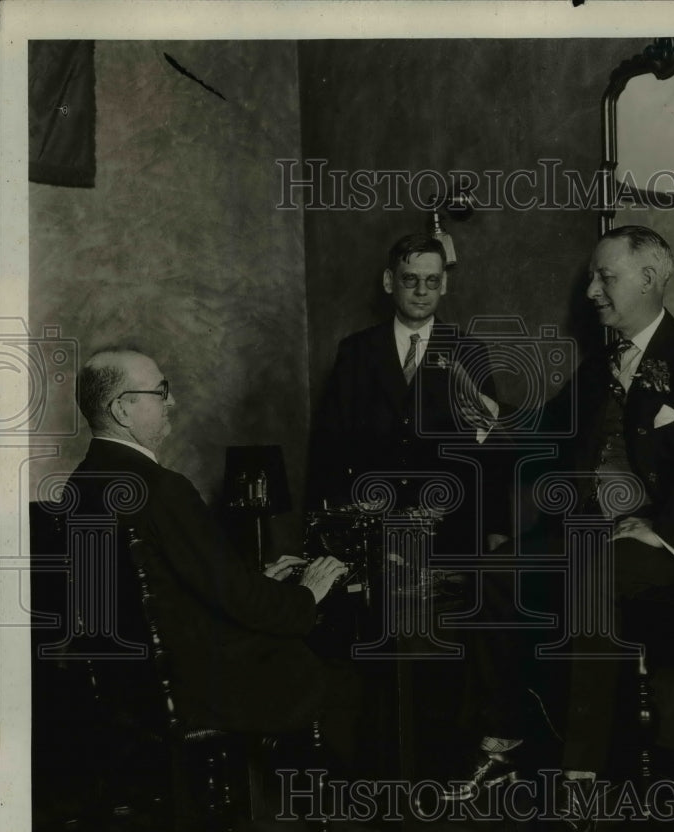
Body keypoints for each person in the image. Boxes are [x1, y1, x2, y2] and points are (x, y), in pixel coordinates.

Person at [449, 227, 674, 832]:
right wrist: (494, 422)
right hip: (585, 533)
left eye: (604, 277)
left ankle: (580, 779)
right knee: (491, 573)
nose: (590, 291)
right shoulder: (599, 365)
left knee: (587, 584)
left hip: (667, 547)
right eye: (591, 277)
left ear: (649, 278)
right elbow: (550, 435)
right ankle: (503, 743)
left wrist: (661, 530)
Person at [68, 348, 349, 740]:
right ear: (122, 410)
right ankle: (305, 800)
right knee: (326, 667)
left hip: (128, 686)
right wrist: (307, 593)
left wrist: (250, 579)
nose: (173, 402)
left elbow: (162, 589)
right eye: (160, 391)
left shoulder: (79, 485)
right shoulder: (162, 488)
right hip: (188, 689)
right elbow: (238, 600)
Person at [307, 232, 511, 555]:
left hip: (451, 530)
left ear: (444, 284)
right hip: (373, 530)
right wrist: (327, 528)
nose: (421, 291)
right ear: (389, 281)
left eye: (432, 281)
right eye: (410, 279)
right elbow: (327, 446)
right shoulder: (356, 352)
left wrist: (498, 529)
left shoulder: (468, 352)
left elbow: (492, 454)